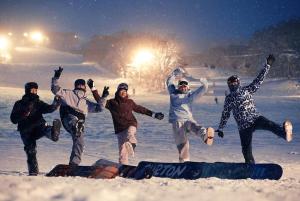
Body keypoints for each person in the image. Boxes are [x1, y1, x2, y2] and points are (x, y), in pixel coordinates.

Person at [216, 54, 293, 164]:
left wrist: (267, 66)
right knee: (246, 149)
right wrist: (220, 128)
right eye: (230, 83)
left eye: (234, 82)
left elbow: (258, 80)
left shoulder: (247, 90)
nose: (232, 85)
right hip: (243, 126)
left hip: (255, 118)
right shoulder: (229, 99)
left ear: (238, 83)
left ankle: (285, 134)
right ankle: (250, 165)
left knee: (270, 125)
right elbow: (225, 114)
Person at [89, 80, 164, 165]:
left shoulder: (130, 102)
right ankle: (123, 166)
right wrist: (94, 89)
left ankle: (132, 145)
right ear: (118, 92)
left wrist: (154, 114)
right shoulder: (112, 103)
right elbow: (100, 101)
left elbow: (141, 109)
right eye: (122, 91)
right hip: (119, 129)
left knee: (130, 134)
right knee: (122, 151)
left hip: (131, 124)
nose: (123, 93)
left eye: (125, 91)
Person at [51, 67, 106, 166]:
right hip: (68, 118)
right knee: (76, 124)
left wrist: (101, 95)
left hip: (79, 124)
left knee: (80, 142)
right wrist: (56, 77)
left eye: (82, 85)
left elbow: (100, 108)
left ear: (85, 87)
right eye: (79, 85)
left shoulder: (86, 102)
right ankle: (76, 125)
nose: (81, 87)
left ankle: (74, 164)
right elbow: (55, 89)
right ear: (76, 86)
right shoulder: (68, 93)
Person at [10, 82, 61, 175]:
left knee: (45, 129)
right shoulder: (19, 104)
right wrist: (23, 114)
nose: (34, 92)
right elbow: (13, 119)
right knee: (30, 150)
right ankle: (33, 173)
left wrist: (56, 103)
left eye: (36, 90)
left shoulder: (38, 102)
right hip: (26, 131)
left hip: (38, 126)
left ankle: (53, 133)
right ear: (27, 90)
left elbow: (49, 109)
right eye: (32, 90)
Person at [166, 67, 214, 162]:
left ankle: (205, 136)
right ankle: (184, 161)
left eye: (185, 85)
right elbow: (169, 82)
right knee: (183, 144)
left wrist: (201, 79)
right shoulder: (173, 93)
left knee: (196, 126)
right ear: (178, 87)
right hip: (177, 122)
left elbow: (204, 88)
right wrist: (175, 73)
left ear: (188, 87)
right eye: (181, 85)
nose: (183, 87)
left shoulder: (190, 95)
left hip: (188, 120)